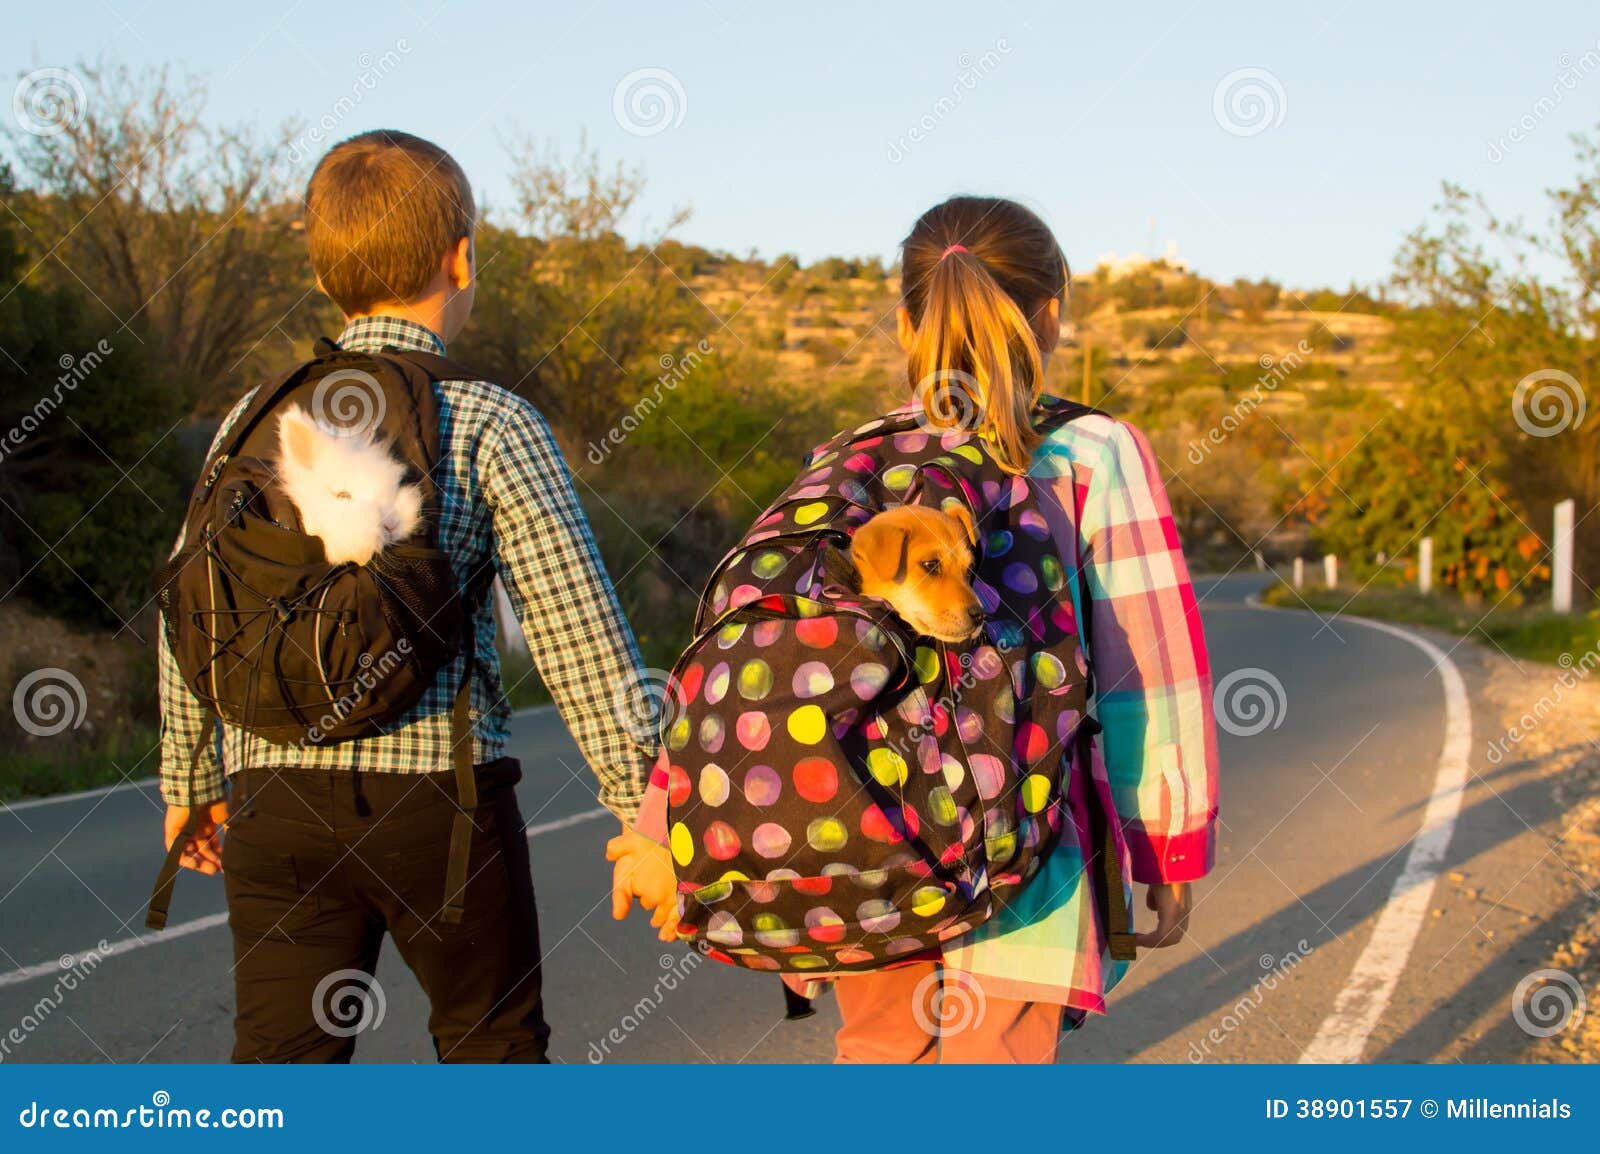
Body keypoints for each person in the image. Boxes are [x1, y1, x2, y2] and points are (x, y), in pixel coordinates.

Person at [612, 195, 1219, 1063]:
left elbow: (754, 648)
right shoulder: (1094, 452)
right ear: (1052, 314)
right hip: (1026, 855)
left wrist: (660, 826)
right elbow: (1146, 678)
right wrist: (1164, 845)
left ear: (906, 325)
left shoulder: (849, 459)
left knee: (881, 1062)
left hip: (856, 840)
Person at [157, 129, 674, 1063]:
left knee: (277, 1072)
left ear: (323, 271)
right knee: (492, 1051)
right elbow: (576, 635)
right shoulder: (489, 418)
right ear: (462, 255)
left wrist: (190, 782)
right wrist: (647, 810)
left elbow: (190, 603)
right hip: (443, 805)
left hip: (273, 800)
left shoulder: (255, 416)